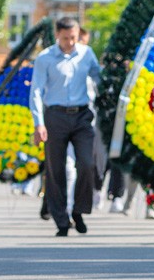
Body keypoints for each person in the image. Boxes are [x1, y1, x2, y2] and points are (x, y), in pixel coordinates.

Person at [31, 17, 102, 237]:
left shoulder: (86, 53)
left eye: (73, 37)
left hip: (81, 116)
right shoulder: (45, 58)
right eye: (65, 38)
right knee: (56, 170)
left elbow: (99, 78)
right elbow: (35, 91)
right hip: (55, 116)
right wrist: (39, 123)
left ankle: (79, 210)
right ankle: (61, 219)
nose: (70, 42)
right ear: (57, 35)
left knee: (86, 163)